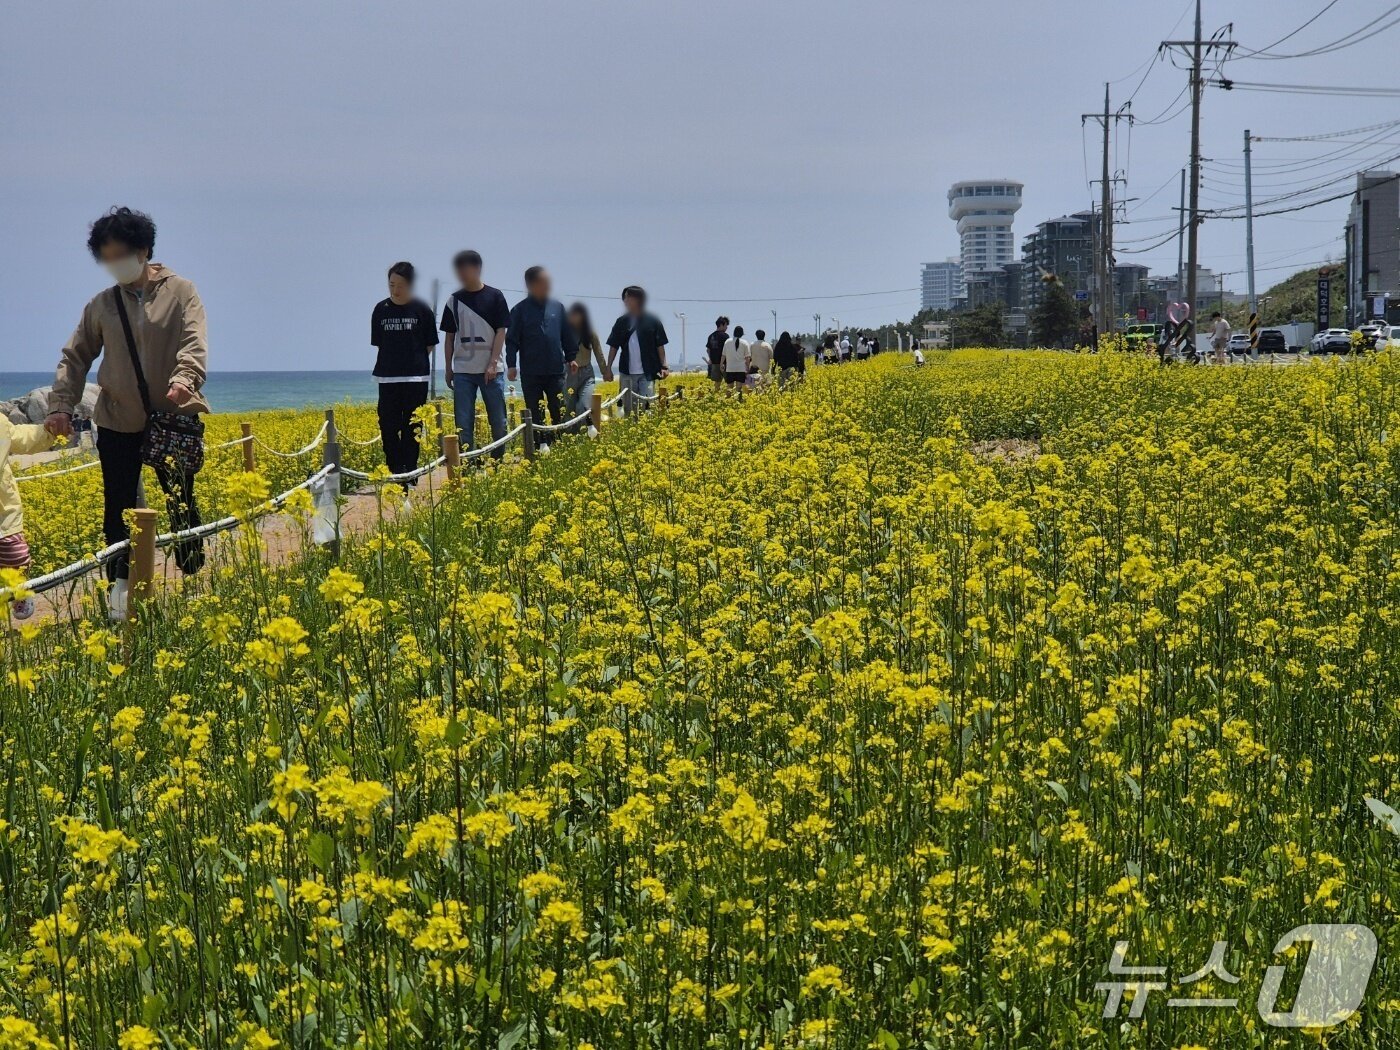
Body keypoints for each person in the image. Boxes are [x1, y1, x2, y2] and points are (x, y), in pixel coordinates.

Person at [47, 206, 210, 621]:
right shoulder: (102, 304)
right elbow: (75, 356)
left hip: (172, 417)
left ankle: (193, 581)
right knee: (118, 509)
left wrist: (185, 379)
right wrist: (61, 406)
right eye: (106, 258)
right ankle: (121, 596)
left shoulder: (181, 291)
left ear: (143, 250)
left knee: (181, 500)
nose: (114, 264)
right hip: (117, 420)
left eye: (120, 254)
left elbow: (194, 342)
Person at [372, 262, 438, 484]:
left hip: (416, 377)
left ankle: (410, 471)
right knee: (387, 425)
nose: (395, 290)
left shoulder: (422, 309)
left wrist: (413, 361)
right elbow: (379, 343)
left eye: (400, 285)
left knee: (413, 426)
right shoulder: (381, 309)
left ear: (410, 284)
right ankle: (395, 469)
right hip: (387, 377)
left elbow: (430, 343)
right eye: (391, 284)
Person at [440, 250, 509, 457]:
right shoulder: (453, 301)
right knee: (463, 422)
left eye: (465, 269)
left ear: (477, 268)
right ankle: (468, 462)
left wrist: (493, 362)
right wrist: (448, 368)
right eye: (458, 270)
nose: (461, 274)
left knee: (498, 420)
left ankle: (498, 462)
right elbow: (449, 338)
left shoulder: (495, 296)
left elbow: (501, 331)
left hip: (492, 370)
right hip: (463, 371)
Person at [506, 266, 578, 436]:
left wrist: (571, 357)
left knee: (559, 410)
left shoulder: (558, 308)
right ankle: (539, 446)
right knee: (534, 414)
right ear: (531, 285)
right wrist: (511, 365)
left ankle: (560, 444)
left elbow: (566, 334)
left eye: (549, 282)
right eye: (544, 282)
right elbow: (512, 340)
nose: (548, 286)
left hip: (556, 370)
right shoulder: (519, 310)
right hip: (531, 372)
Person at [1, 417, 56, 620]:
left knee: (16, 554)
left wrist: (49, 432)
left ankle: (20, 589)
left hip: (4, 509)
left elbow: (22, 437)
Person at [605, 286, 670, 417]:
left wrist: (664, 366)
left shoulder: (653, 321)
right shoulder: (621, 322)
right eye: (624, 298)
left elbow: (660, 345)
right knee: (629, 410)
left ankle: (648, 428)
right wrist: (608, 368)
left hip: (647, 373)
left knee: (647, 408)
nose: (625, 301)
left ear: (638, 299)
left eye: (628, 297)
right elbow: (613, 346)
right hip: (626, 373)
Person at [565, 302, 610, 420]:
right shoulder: (564, 332)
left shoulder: (590, 333)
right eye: (572, 315)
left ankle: (585, 429)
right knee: (569, 409)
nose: (573, 318)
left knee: (585, 405)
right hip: (569, 373)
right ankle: (572, 431)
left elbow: (598, 352)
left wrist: (605, 371)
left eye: (576, 315)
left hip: (586, 373)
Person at [721, 325, 751, 390]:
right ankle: (738, 397)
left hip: (730, 368)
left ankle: (728, 397)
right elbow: (747, 358)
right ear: (742, 334)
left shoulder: (727, 341)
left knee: (729, 388)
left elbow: (723, 355)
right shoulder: (745, 343)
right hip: (741, 368)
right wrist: (748, 368)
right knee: (739, 388)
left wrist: (721, 364)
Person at [705, 317, 730, 392]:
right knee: (729, 383)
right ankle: (728, 397)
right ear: (721, 325)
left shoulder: (711, 336)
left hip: (715, 363)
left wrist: (710, 359)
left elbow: (708, 350)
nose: (727, 327)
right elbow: (728, 350)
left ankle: (716, 396)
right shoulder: (725, 336)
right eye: (726, 325)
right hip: (725, 363)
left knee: (717, 384)